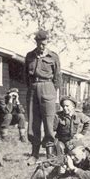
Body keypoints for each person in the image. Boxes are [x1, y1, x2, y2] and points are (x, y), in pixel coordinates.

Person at [24, 30, 62, 164]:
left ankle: (49, 155)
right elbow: (26, 76)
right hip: (33, 89)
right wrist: (32, 88)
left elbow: (58, 77)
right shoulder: (29, 56)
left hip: (48, 88)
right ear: (36, 42)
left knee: (48, 122)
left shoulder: (53, 57)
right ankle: (34, 154)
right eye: (40, 44)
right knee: (33, 122)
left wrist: (52, 93)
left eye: (44, 44)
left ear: (47, 42)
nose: (42, 47)